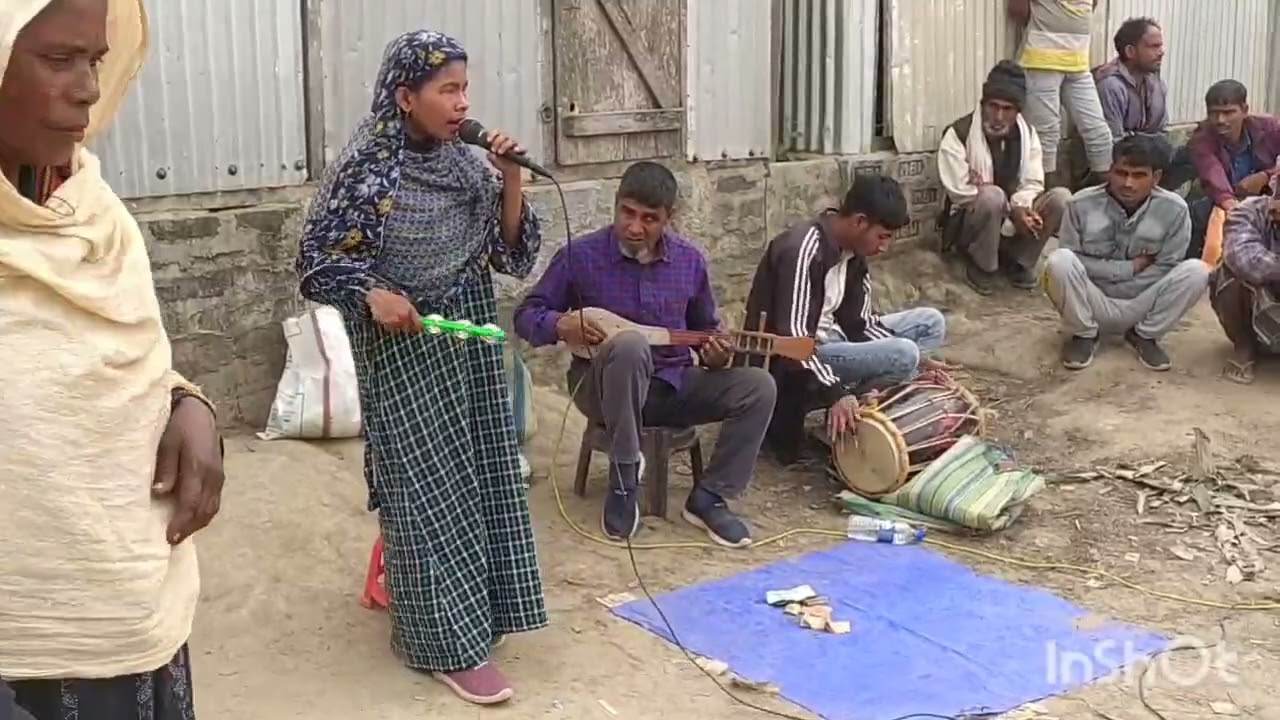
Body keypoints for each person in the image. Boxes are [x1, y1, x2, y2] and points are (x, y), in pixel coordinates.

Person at [296, 30, 547, 705]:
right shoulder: (367, 168)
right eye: (448, 90)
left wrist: (511, 179)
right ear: (406, 97)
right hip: (404, 351)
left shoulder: (466, 164)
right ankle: (444, 645)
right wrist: (372, 293)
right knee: (425, 486)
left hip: (465, 341)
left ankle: (458, 606)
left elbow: (512, 255)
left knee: (477, 474)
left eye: (466, 89)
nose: (463, 103)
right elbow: (317, 263)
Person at [0, 1, 225, 718]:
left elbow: (113, 360)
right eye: (58, 60)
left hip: (123, 634)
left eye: (94, 61)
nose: (90, 88)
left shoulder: (91, 213)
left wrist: (188, 402)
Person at [513, 162, 776, 548]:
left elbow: (704, 333)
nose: (635, 227)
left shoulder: (689, 262)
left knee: (759, 386)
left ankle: (709, 497)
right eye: (628, 213)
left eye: (649, 219)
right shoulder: (580, 255)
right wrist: (559, 324)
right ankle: (624, 479)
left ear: (670, 217)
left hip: (672, 385)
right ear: (617, 205)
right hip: (602, 388)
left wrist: (717, 356)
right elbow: (525, 315)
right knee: (631, 345)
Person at [741, 174, 947, 463]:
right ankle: (848, 411)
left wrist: (920, 363)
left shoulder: (854, 255)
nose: (884, 247)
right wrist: (837, 392)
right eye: (882, 236)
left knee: (930, 323)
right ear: (859, 221)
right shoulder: (803, 248)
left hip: (833, 341)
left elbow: (859, 324)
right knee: (904, 353)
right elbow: (794, 343)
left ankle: (863, 406)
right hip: (792, 361)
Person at [1042, 134, 1209, 371]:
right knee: (1058, 262)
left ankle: (1145, 335)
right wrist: (1127, 269)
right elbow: (1073, 259)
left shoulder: (1175, 210)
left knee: (1197, 271)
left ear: (1156, 177)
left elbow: (1167, 265)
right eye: (1121, 173)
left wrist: (1128, 287)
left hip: (1142, 301)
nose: (1128, 183)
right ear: (1110, 171)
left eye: (1139, 175)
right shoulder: (1080, 204)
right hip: (1092, 297)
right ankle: (1084, 334)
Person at [937, 60, 1070, 294]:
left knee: (1061, 199)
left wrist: (1022, 209)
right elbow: (960, 192)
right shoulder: (959, 133)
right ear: (983, 104)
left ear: (1018, 111)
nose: (998, 116)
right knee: (991, 196)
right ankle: (983, 265)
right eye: (993, 106)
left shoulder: (1028, 134)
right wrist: (1011, 210)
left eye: (1007, 109)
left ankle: (1020, 262)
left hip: (1012, 218)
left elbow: (1033, 182)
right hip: (970, 226)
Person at [1010, 0, 1113, 186]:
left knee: (1098, 132)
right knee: (1046, 136)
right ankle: (1046, 197)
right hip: (1041, 60)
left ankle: (1106, 198)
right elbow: (1018, 9)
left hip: (1078, 62)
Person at [1093, 17, 1195, 191]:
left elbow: (1162, 133)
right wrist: (1146, 143)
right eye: (1153, 47)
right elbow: (1114, 141)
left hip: (1150, 159)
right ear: (1131, 51)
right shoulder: (1111, 84)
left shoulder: (1156, 83)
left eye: (1161, 46)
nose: (1162, 52)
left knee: (1195, 155)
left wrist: (1146, 142)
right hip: (1121, 165)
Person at [1186, 80, 1280, 258]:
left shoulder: (1271, 128)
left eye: (1228, 112)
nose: (1221, 120)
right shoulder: (1201, 138)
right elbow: (1213, 177)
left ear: (1244, 110)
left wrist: (1265, 176)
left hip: (1270, 197)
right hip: (1223, 201)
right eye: (1214, 114)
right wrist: (1236, 211)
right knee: (1197, 212)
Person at [1212, 174, 1280, 384]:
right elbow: (1242, 257)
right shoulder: (1248, 210)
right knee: (1230, 271)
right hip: (1259, 300)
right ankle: (1245, 346)